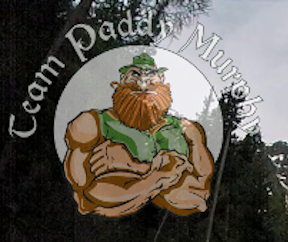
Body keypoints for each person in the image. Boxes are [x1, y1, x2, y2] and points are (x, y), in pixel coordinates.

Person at [63, 53, 214, 217]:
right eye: (135, 74)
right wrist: (164, 175)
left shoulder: (189, 130)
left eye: (151, 75)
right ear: (122, 79)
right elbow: (88, 196)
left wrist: (134, 167)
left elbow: (199, 194)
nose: (143, 83)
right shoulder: (93, 123)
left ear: (162, 79)